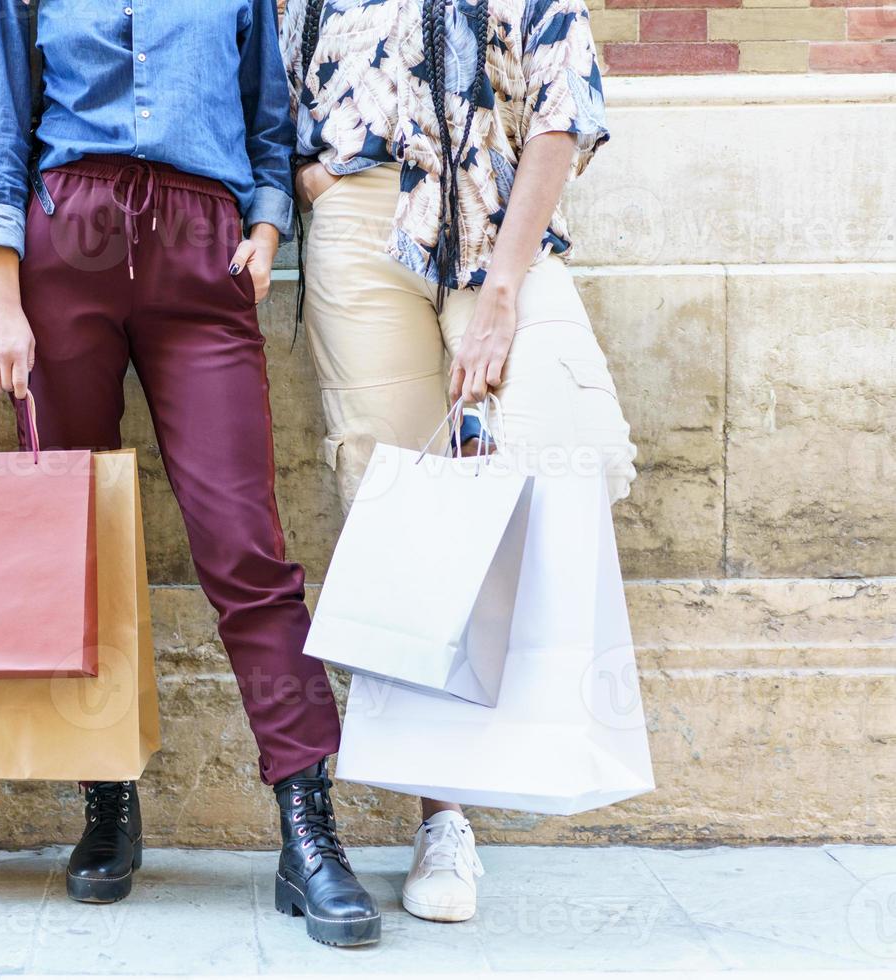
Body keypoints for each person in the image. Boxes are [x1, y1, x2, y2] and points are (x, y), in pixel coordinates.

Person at [0, 0, 381, 946]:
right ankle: (106, 798)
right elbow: (2, 120)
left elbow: (265, 113)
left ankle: (308, 826)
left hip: (202, 257)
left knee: (245, 549)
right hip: (66, 249)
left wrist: (267, 228)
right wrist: (1, 290)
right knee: (77, 545)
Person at [282, 0, 638, 923]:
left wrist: (507, 287)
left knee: (569, 442)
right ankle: (444, 816)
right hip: (357, 231)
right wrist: (315, 176)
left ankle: (534, 726)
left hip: (490, 218)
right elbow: (266, 75)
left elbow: (562, 107)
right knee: (401, 526)